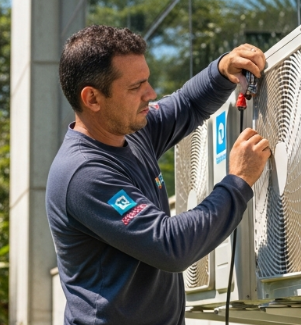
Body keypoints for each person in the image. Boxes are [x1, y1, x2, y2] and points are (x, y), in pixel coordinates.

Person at [46, 25, 271, 324]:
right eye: (134, 87)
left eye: (147, 81)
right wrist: (238, 180)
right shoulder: (83, 173)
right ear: (93, 99)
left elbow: (187, 104)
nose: (150, 94)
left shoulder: (130, 131)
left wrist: (222, 68)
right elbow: (170, 246)